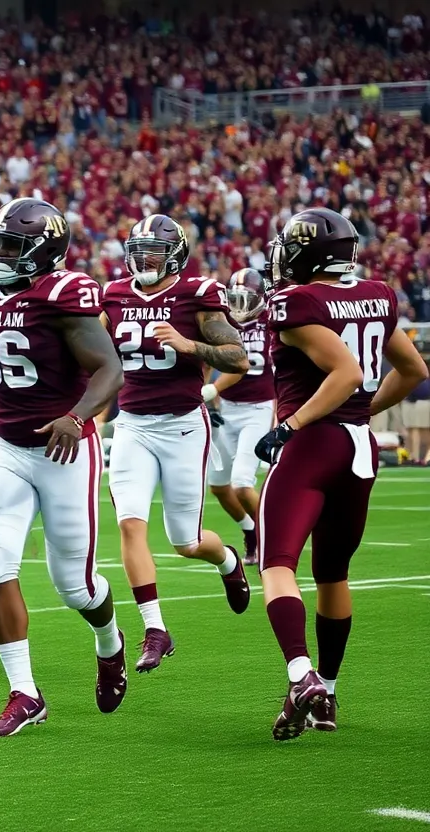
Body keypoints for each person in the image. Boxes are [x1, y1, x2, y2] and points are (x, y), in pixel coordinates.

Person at [0, 199, 126, 735]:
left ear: (43, 252)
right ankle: (25, 692)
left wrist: (76, 416)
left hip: (64, 450)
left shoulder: (64, 293)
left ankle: (109, 640)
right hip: (6, 447)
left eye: (11, 246)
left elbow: (109, 368)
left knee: (75, 586)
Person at [254, 208, 428, 740]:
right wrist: (361, 414)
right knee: (332, 574)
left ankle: (299, 673)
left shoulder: (297, 300)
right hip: (358, 448)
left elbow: (346, 371)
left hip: (311, 443)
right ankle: (327, 690)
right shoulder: (376, 292)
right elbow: (414, 370)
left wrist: (294, 425)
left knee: (276, 562)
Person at [100, 214, 252, 673]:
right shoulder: (114, 295)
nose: (144, 261)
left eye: (154, 253)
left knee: (185, 542)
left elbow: (238, 357)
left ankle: (227, 560)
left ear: (175, 258)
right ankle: (155, 629)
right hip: (132, 425)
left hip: (184, 425)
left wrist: (189, 345)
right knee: (130, 524)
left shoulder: (197, 293)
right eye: (139, 252)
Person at [206, 268, 274, 565]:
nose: (240, 306)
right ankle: (250, 531)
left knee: (242, 483)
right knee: (219, 487)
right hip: (226, 409)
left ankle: (271, 539)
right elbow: (206, 356)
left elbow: (242, 366)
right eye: (235, 299)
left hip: (258, 409)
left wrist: (212, 389)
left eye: (246, 299)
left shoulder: (274, 322)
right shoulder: (223, 321)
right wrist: (208, 397)